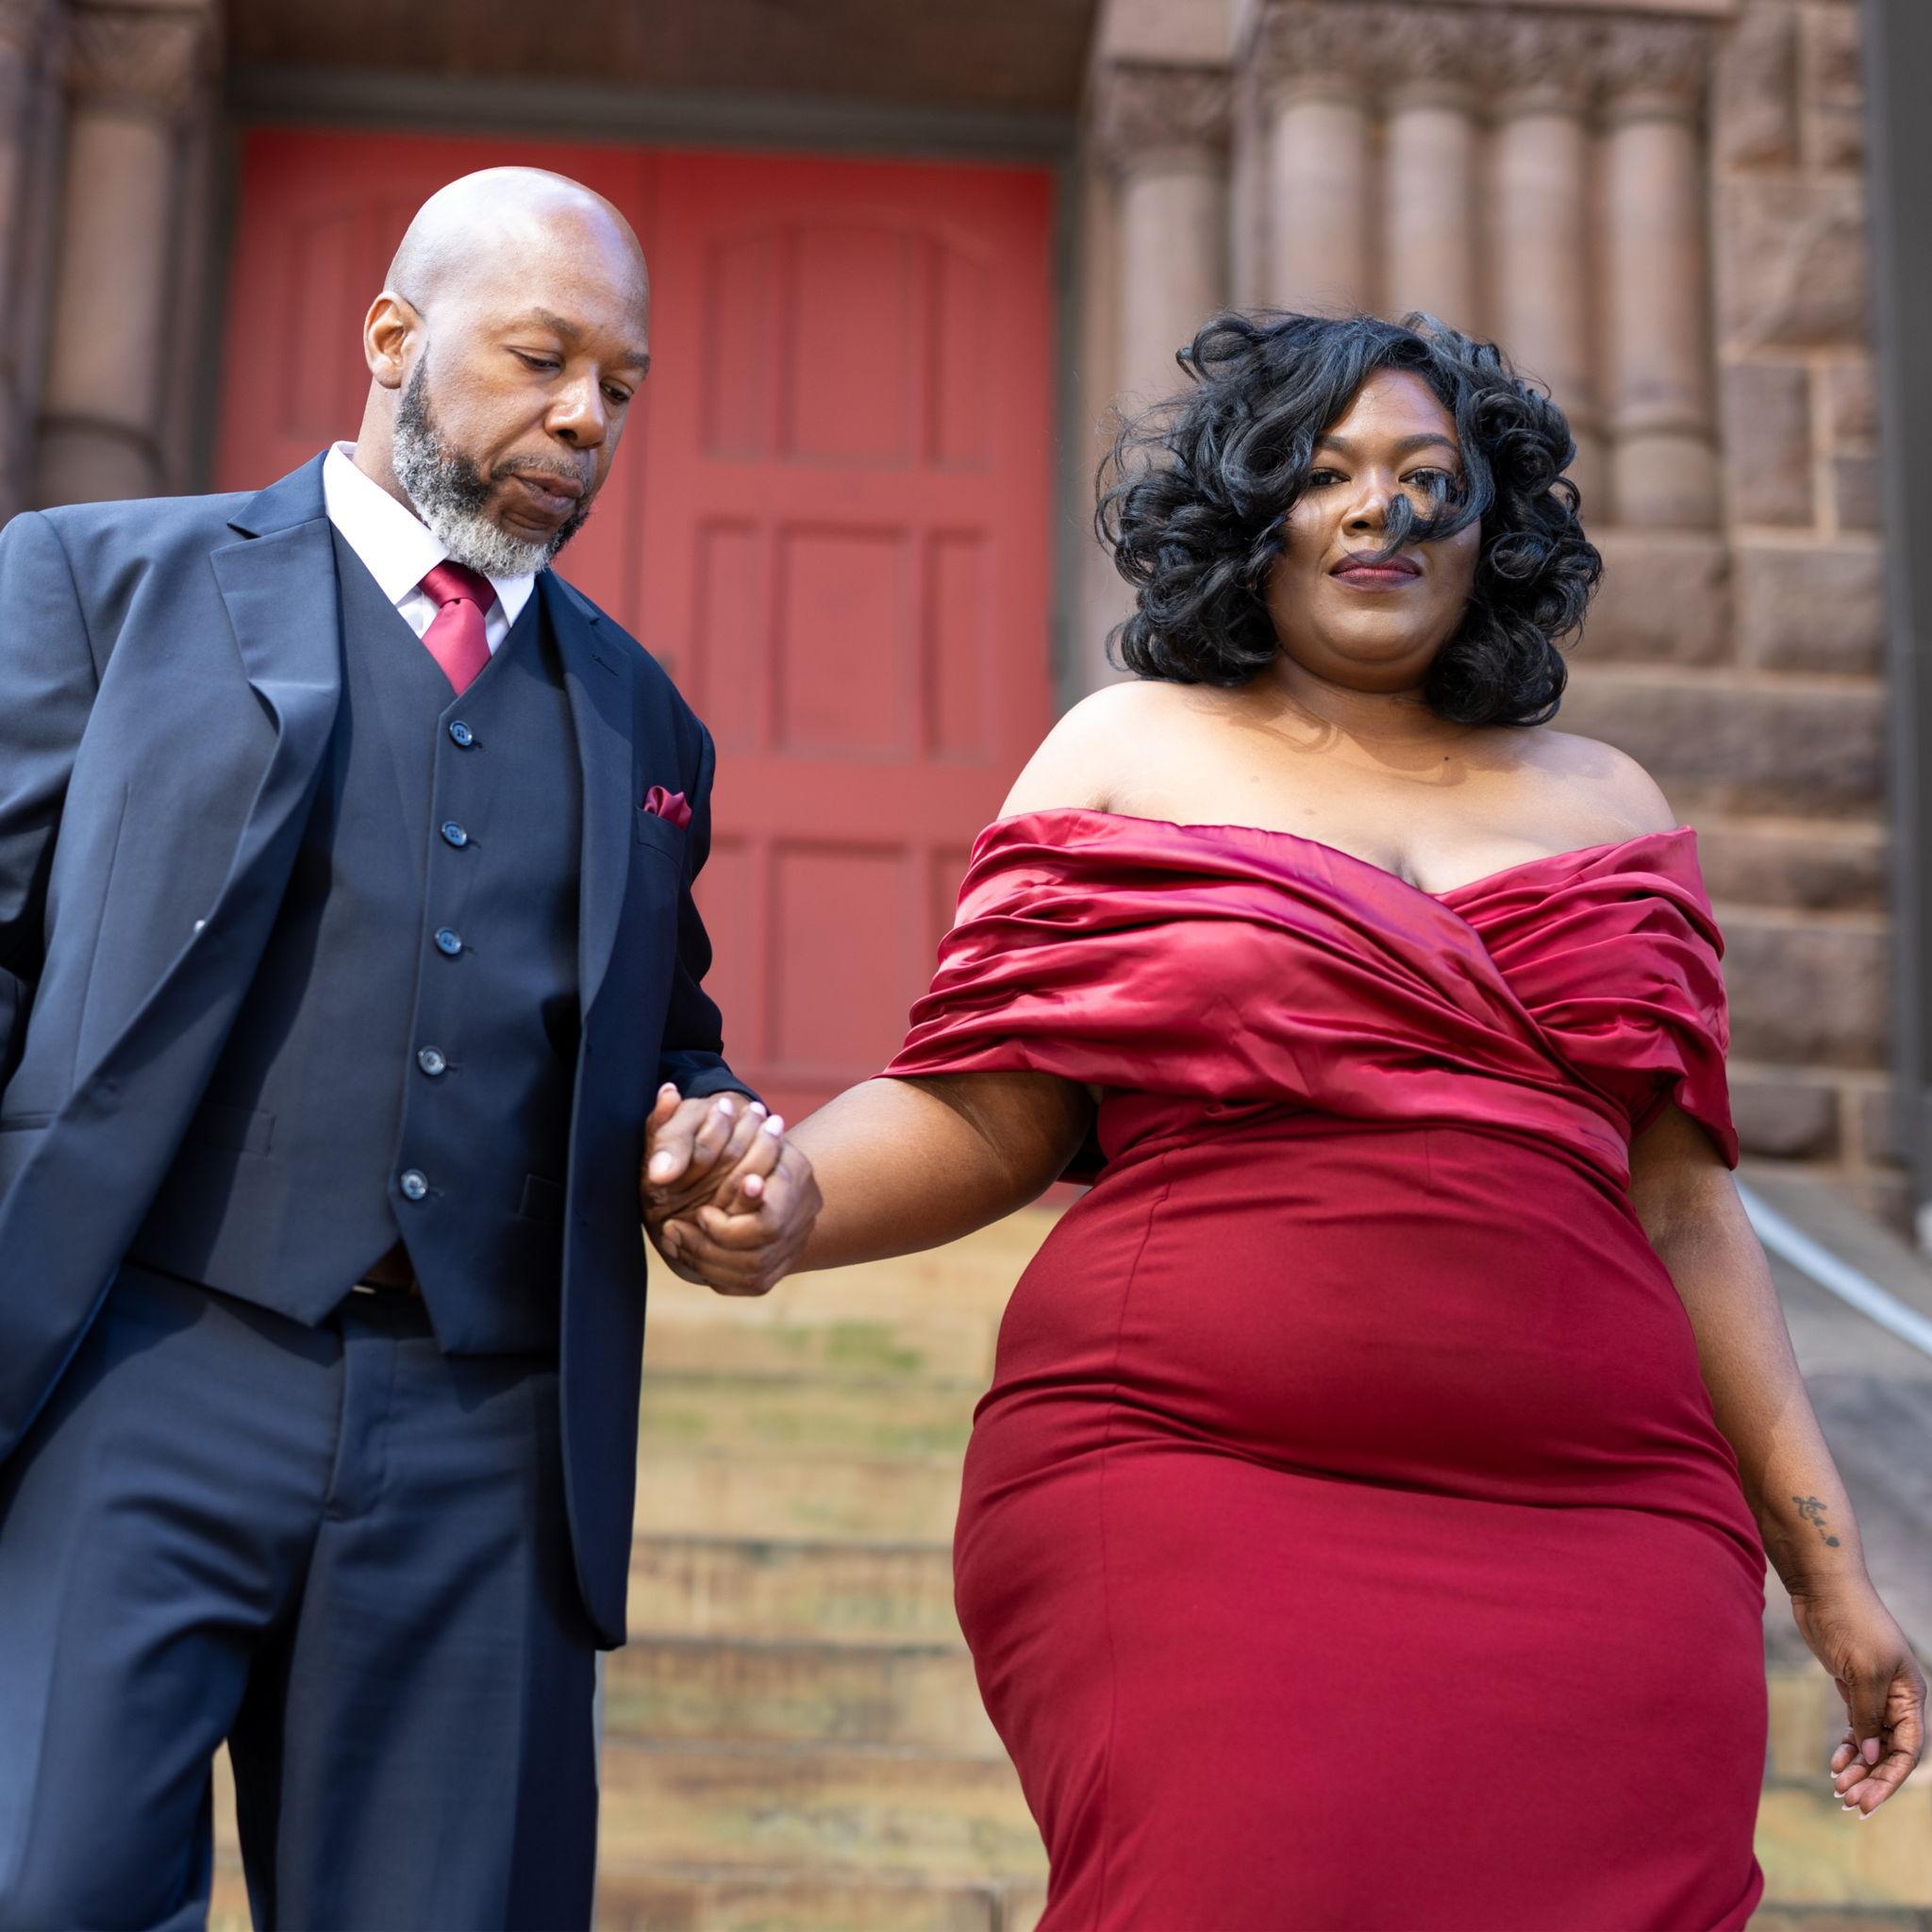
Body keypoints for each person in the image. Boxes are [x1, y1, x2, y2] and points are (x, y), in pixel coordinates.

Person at [645, 313, 1926, 1930]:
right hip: (1197, 1479)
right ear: (1251, 511)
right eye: (1323, 473)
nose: (1377, 511)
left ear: (1493, 524)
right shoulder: (1130, 752)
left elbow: (1683, 1208)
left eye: (1426, 476)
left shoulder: (1612, 801)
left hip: (1608, 1522)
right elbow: (986, 1109)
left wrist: (1827, 1567)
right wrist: (789, 1199)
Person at [0, 168, 815, 1928]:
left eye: (620, 385)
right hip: (134, 1372)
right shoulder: (91, 586)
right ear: (391, 336)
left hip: (488, 1433)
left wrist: (730, 1141)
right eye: (541, 359)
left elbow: (674, 1041)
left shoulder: (645, 715)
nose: (585, 418)